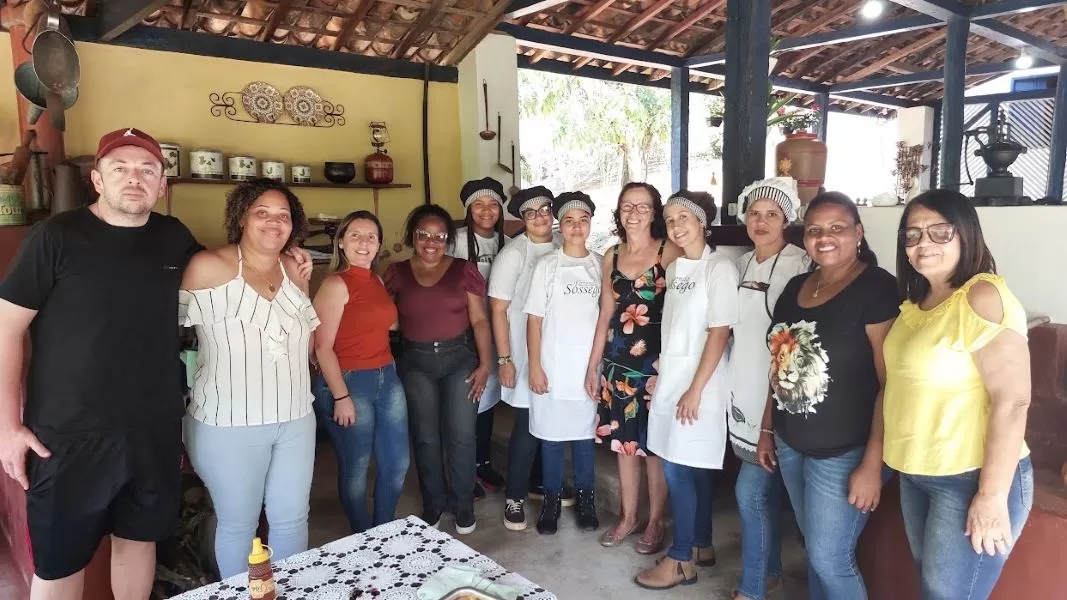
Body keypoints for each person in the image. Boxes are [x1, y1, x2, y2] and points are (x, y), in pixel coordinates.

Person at [0, 128, 202, 600]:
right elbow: (6, 331)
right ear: (97, 179)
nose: (135, 178)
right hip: (68, 435)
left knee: (139, 540)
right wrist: (8, 426)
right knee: (59, 562)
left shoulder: (173, 238)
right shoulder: (55, 237)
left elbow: (217, 280)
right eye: (121, 168)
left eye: (147, 170)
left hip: (152, 427)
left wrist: (279, 262)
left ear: (161, 185)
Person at [883, 189, 1033, 600]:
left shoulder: (981, 296)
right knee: (935, 588)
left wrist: (990, 495)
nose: (922, 243)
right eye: (912, 235)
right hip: (917, 472)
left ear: (966, 233)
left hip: (969, 476)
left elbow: (1013, 399)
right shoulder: (920, 303)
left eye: (939, 231)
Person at [757, 191, 897, 600]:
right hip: (791, 442)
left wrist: (873, 462)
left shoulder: (877, 288)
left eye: (837, 228)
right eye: (815, 230)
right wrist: (768, 429)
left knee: (830, 557)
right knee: (816, 551)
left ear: (858, 232)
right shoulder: (798, 285)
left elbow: (891, 382)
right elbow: (779, 363)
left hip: (845, 452)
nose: (824, 238)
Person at [180, 178, 319, 578]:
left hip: (295, 416)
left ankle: (290, 590)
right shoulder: (208, 267)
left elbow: (306, 341)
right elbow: (169, 337)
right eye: (262, 212)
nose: (274, 222)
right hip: (229, 422)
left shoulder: (296, 268)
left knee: (292, 519)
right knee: (239, 524)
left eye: (283, 215)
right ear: (241, 217)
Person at [636, 191, 738, 590]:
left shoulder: (720, 269)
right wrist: (664, 370)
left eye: (684, 218)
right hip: (673, 377)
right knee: (687, 464)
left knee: (678, 467)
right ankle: (702, 543)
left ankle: (680, 560)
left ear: (702, 222)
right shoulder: (676, 268)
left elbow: (719, 331)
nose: (676, 225)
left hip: (702, 382)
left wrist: (695, 389)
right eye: (670, 219)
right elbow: (675, 327)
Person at [386, 204, 492, 534]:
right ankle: (434, 501)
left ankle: (462, 504)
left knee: (461, 435)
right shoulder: (396, 273)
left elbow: (478, 319)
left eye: (439, 236)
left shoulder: (463, 270)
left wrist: (486, 363)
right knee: (426, 437)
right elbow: (385, 323)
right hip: (415, 362)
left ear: (447, 239)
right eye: (423, 235)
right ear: (412, 237)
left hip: (459, 358)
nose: (431, 242)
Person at [588, 182, 681, 553]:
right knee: (624, 446)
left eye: (643, 206)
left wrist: (673, 370)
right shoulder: (610, 254)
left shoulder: (669, 252)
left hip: (655, 364)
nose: (635, 213)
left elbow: (683, 312)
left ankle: (655, 521)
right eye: (628, 206)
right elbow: (605, 315)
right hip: (617, 364)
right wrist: (593, 365)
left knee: (653, 448)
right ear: (619, 211)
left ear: (655, 212)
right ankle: (629, 517)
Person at [730, 178, 809, 600]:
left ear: (787, 220)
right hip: (740, 392)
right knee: (765, 491)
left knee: (750, 493)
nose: (761, 222)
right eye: (755, 213)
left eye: (772, 215)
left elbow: (794, 349)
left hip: (776, 399)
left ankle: (753, 588)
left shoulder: (800, 265)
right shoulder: (740, 264)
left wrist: (770, 417)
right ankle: (773, 571)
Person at [312, 210, 409, 533]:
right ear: (341, 242)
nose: (364, 243)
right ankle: (362, 535)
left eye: (371, 236)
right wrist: (341, 396)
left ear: (379, 243)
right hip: (350, 382)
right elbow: (322, 347)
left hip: (387, 377)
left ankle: (382, 530)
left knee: (397, 463)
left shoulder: (377, 281)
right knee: (356, 467)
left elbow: (385, 323)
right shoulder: (335, 284)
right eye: (355, 235)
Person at [525, 192, 602, 535]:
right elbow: (534, 321)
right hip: (553, 366)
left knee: (585, 436)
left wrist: (596, 368)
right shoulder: (547, 266)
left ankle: (586, 498)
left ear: (590, 224)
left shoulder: (601, 265)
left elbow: (605, 320)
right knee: (552, 437)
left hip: (588, 367)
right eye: (568, 220)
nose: (576, 227)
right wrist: (536, 366)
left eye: (582, 220)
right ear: (560, 225)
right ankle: (551, 502)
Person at [487, 186, 561, 531]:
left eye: (544, 209)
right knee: (527, 428)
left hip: (558, 352)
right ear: (522, 218)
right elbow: (498, 308)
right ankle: (514, 496)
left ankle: (540, 484)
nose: (539, 217)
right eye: (530, 213)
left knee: (551, 424)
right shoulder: (513, 254)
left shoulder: (563, 245)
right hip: (521, 350)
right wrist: (505, 359)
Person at [448, 177, 509, 497]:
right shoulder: (454, 241)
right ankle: (462, 468)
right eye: (478, 204)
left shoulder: (508, 244)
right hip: (461, 335)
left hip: (496, 333)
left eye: (492, 204)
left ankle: (481, 464)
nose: (486, 210)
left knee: (487, 402)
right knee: (465, 402)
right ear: (468, 209)